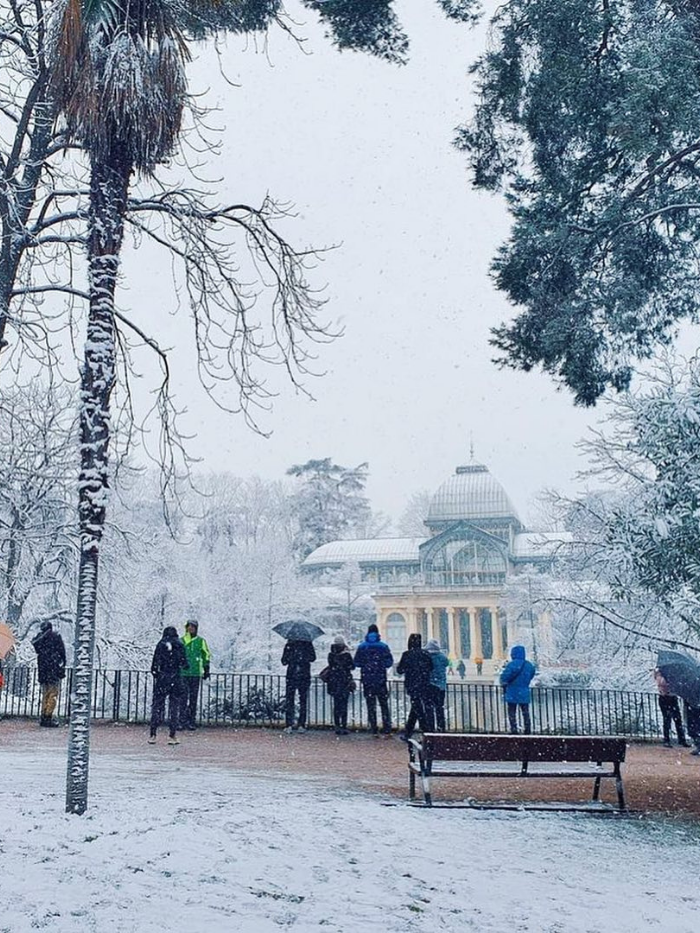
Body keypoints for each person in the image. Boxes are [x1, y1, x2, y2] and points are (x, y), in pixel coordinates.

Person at [149, 626, 187, 745]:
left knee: (157, 705)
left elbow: (155, 663)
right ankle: (172, 735)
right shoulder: (179, 644)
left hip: (162, 678)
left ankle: (153, 734)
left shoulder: (161, 644)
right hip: (175, 678)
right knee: (174, 706)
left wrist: (157, 674)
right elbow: (184, 663)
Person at [353, 623, 393, 736]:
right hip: (380, 679)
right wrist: (380, 666)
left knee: (371, 705)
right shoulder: (383, 646)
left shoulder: (362, 646)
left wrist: (366, 665)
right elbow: (389, 662)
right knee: (384, 704)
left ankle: (374, 729)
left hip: (367, 679)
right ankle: (387, 729)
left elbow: (356, 662)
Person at [397, 633, 434, 740]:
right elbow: (431, 667)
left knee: (417, 708)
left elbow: (400, 670)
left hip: (412, 685)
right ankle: (411, 732)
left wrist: (409, 669)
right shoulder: (425, 654)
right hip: (424, 684)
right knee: (416, 708)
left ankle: (425, 731)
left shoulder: (407, 654)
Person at [31, 621, 66, 727]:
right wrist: (62, 664)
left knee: (45, 694)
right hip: (53, 670)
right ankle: (48, 716)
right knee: (53, 694)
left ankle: (43, 715)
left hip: (43, 670)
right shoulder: (55, 637)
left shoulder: (38, 640)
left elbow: (38, 651)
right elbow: (62, 653)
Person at [180, 620, 211, 730]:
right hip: (183, 673)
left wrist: (206, 668)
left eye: (193, 627)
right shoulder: (182, 640)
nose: (191, 629)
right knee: (182, 698)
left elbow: (206, 655)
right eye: (189, 627)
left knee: (193, 698)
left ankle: (191, 721)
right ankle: (181, 720)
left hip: (195, 673)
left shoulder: (201, 641)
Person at [500, 644, 536, 734]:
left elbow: (505, 676)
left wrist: (504, 682)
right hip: (524, 691)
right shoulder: (529, 665)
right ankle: (527, 729)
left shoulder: (512, 664)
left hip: (512, 691)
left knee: (512, 712)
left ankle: (514, 729)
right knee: (525, 712)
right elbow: (532, 674)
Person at [282, 638, 316, 733]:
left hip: (292, 675)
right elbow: (313, 658)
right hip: (304, 675)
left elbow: (284, 661)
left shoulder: (289, 644)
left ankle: (289, 724)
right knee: (303, 700)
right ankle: (301, 724)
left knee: (290, 700)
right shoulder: (308, 644)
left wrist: (292, 658)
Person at [326, 635, 355, 735]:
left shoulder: (331, 655)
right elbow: (352, 667)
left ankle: (337, 725)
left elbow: (331, 666)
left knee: (336, 705)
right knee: (344, 705)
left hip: (334, 682)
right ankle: (343, 725)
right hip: (344, 682)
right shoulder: (346, 655)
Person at [653, 668, 690, 748]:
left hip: (672, 698)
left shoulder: (671, 675)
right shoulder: (660, 675)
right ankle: (667, 740)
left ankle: (681, 739)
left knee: (678, 719)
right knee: (667, 719)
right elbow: (662, 685)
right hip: (665, 698)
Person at [425, 638, 450, 732]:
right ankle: (441, 728)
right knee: (439, 708)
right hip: (441, 686)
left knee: (429, 708)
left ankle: (430, 729)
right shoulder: (442, 656)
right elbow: (446, 664)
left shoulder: (427, 657)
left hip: (430, 685)